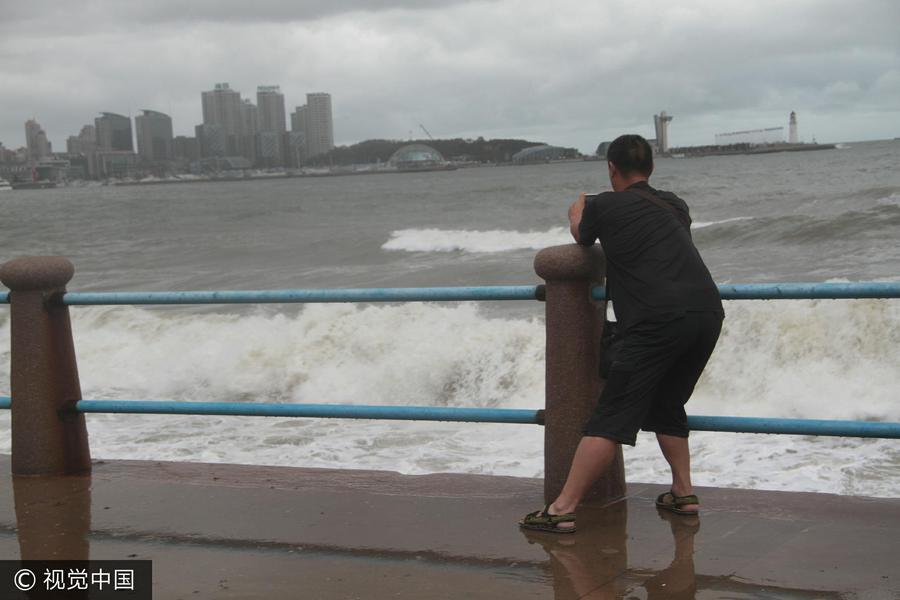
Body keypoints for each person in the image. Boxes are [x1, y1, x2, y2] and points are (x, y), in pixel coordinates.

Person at [520, 134, 724, 533]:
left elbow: (581, 234)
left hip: (656, 320)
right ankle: (683, 493)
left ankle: (561, 509)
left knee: (611, 417)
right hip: (707, 313)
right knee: (667, 403)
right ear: (651, 168)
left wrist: (578, 206)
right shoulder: (674, 204)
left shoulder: (603, 204)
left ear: (611, 168)